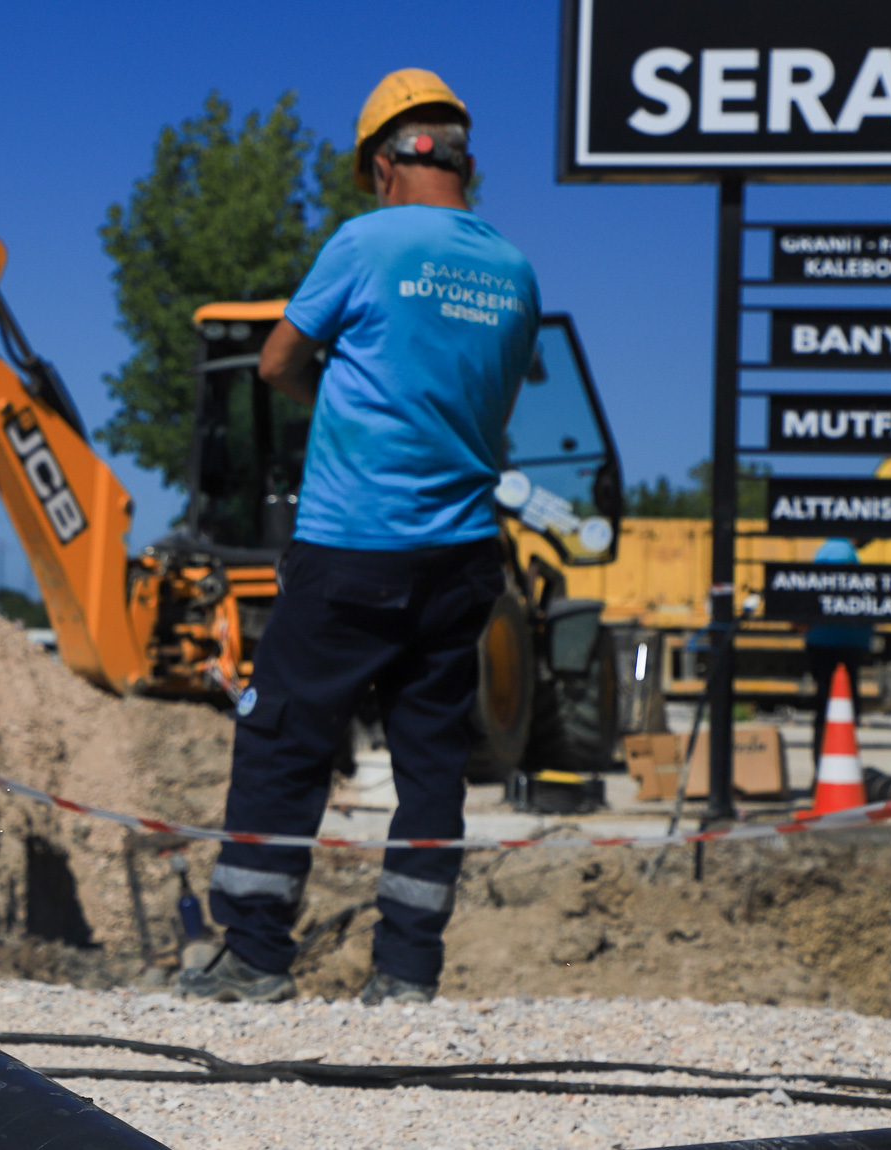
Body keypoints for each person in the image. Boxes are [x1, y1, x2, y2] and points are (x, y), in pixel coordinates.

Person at [176, 69, 540, 1007]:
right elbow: (492, 399)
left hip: (352, 546)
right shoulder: (512, 269)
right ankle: (408, 972)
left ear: (385, 164)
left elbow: (278, 361)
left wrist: (329, 394)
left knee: (286, 739)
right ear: (463, 160)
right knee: (430, 762)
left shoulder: (367, 243)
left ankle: (254, 958)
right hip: (463, 554)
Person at [804, 538, 873, 758]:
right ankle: (828, 767)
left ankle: (832, 766)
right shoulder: (838, 550)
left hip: (838, 642)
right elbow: (824, 586)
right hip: (834, 643)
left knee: (837, 709)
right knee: (834, 710)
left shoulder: (840, 549)